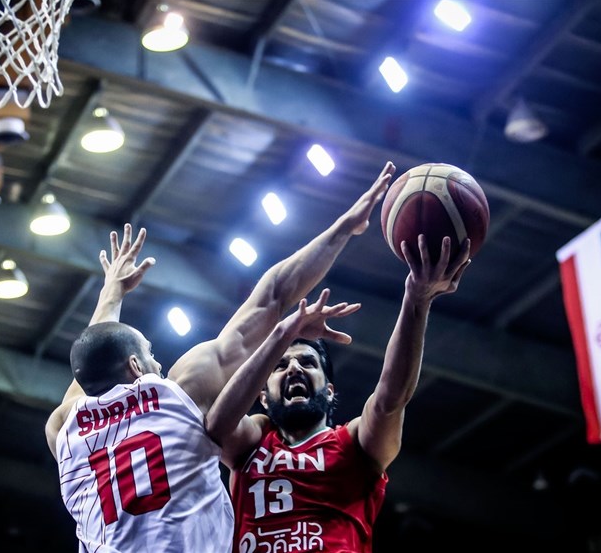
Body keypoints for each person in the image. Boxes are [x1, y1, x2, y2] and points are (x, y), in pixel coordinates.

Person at [44, 162, 398, 552]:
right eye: (150, 354)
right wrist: (343, 227)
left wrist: (110, 295)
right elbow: (273, 296)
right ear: (135, 367)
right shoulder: (176, 397)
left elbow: (92, 360)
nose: (159, 365)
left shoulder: (64, 429)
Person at [206, 234, 472, 553]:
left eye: (307, 362)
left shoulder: (354, 443)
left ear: (330, 391)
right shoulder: (252, 443)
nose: (294, 370)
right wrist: (281, 334)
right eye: (280, 366)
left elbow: (391, 399)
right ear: (263, 396)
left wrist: (417, 300)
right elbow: (216, 425)